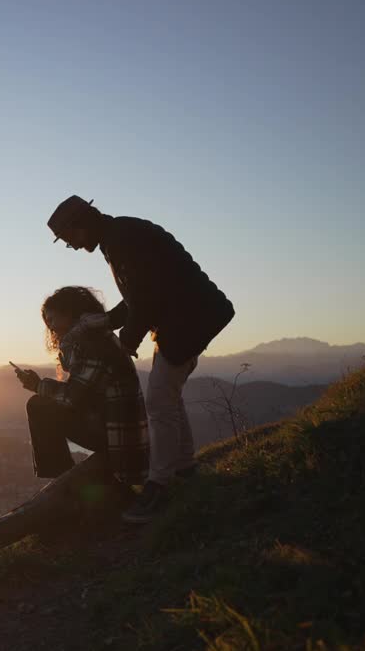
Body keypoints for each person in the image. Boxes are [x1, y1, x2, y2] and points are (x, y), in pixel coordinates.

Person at [47, 195, 234, 524]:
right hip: (192, 317)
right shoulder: (120, 235)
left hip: (189, 321)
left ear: (81, 225)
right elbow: (137, 296)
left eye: (70, 239)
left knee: (160, 400)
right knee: (167, 396)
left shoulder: (122, 241)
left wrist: (127, 339)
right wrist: (107, 321)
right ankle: (185, 469)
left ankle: (158, 487)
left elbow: (145, 297)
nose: (73, 247)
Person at [16, 286, 149, 494]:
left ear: (69, 313)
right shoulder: (93, 337)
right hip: (111, 426)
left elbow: (73, 397)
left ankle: (63, 483)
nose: (50, 327)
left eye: (52, 319)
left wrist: (38, 386)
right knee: (42, 404)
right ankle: (62, 480)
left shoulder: (93, 343)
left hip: (116, 434)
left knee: (39, 406)